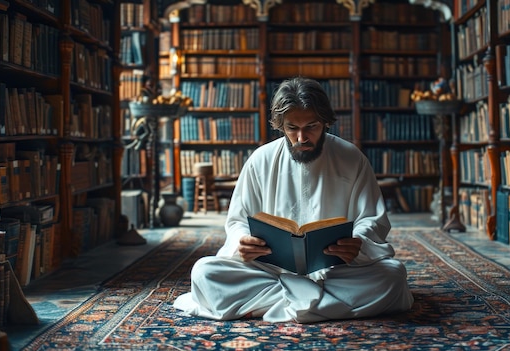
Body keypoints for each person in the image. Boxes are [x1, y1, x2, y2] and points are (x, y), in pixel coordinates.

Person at [173, 77, 414, 323]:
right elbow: (238, 221)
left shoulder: (352, 158)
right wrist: (241, 242)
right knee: (204, 272)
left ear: (325, 123)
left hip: (336, 271)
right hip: (270, 271)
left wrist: (358, 243)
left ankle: (276, 303)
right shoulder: (261, 160)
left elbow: (371, 218)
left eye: (311, 126)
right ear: (280, 126)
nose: (301, 137)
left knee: (393, 275)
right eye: (292, 128)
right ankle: (322, 305)